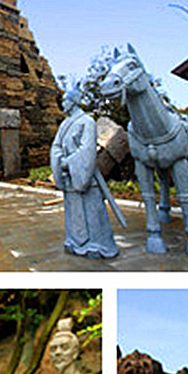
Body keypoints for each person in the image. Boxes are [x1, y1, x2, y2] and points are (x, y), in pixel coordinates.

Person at [51, 89, 119, 259]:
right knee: (74, 211)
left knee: (92, 211)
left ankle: (98, 244)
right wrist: (59, 160)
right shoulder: (65, 124)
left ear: (73, 102)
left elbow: (87, 149)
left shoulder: (87, 121)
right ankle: (75, 241)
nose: (63, 103)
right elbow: (56, 146)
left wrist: (68, 162)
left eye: (66, 100)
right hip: (69, 176)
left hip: (84, 174)